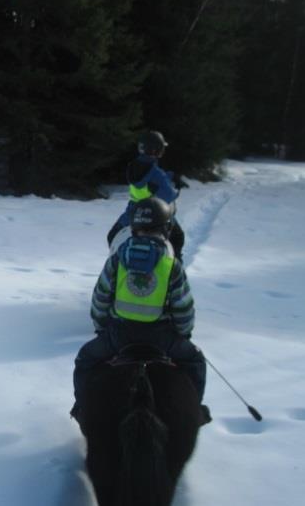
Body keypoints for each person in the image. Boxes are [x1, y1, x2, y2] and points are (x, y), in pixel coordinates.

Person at [73, 197, 209, 424]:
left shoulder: (117, 259)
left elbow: (100, 299)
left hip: (119, 337)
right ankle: (193, 412)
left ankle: (82, 408)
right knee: (195, 361)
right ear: (166, 228)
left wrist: (101, 329)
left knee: (85, 359)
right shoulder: (171, 264)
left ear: (134, 227)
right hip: (162, 339)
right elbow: (183, 308)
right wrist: (183, 334)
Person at [107, 130, 185, 260]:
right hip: (154, 214)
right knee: (178, 237)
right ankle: (175, 269)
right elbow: (169, 195)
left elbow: (150, 179)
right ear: (156, 150)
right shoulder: (156, 174)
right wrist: (176, 188)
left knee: (112, 236)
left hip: (131, 213)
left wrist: (169, 175)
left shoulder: (133, 166)